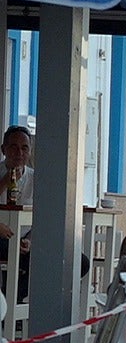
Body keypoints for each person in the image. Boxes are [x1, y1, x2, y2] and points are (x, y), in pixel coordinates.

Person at [0, 125, 89, 300]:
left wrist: (31, 240)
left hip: (27, 240)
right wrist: (7, 179)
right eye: (14, 147)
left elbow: (46, 218)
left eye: (24, 148)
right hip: (3, 238)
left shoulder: (37, 179)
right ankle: (11, 308)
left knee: (78, 262)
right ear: (4, 149)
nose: (19, 152)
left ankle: (25, 303)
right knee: (17, 256)